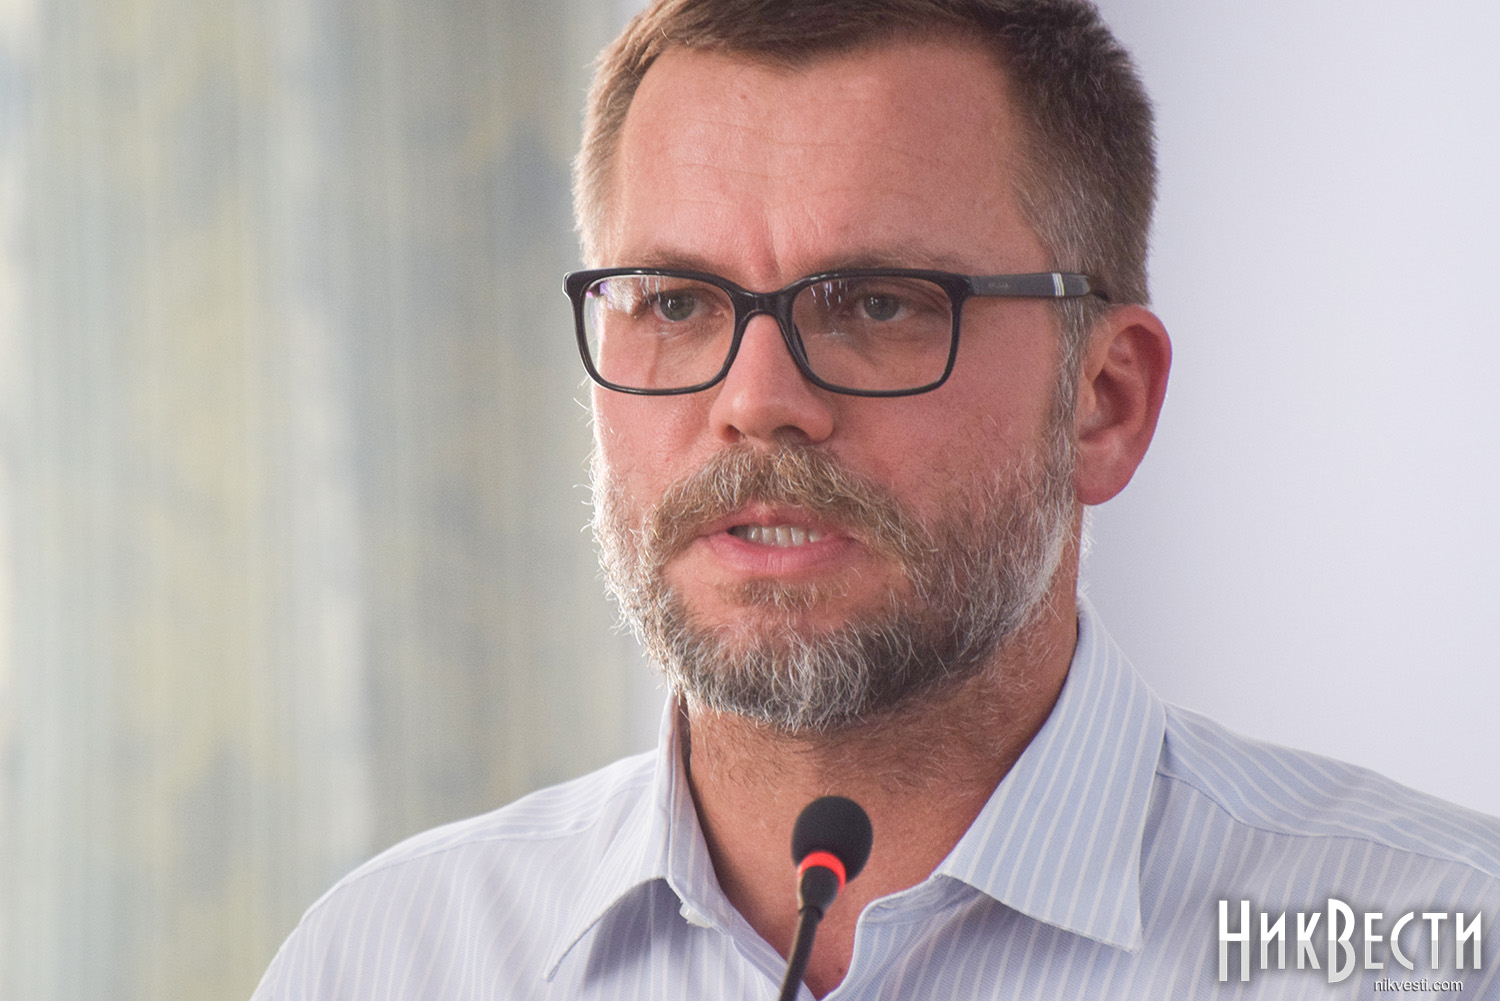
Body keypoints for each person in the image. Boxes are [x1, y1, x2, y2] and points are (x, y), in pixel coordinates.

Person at [252, 1, 1500, 997]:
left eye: (879, 303)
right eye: (676, 303)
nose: (756, 399)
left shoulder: (1435, 946)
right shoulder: (386, 959)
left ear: (1104, 402)